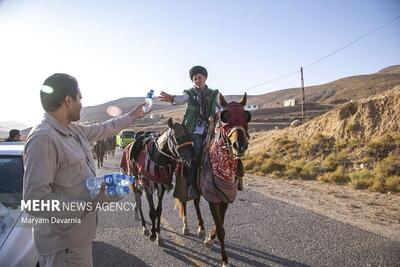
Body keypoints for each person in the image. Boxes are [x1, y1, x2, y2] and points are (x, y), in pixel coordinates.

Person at [23, 73, 146, 267]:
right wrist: (94, 200)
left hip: (77, 239)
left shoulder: (74, 130)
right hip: (63, 248)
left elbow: (106, 128)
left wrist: (133, 116)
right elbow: (36, 201)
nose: (82, 102)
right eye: (80, 97)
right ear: (68, 100)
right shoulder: (43, 138)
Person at [160, 66, 220, 199]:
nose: (198, 80)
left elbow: (222, 107)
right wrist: (172, 99)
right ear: (193, 81)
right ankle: (193, 185)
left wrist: (216, 115)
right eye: (195, 79)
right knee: (196, 151)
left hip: (211, 127)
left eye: (200, 77)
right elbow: (181, 99)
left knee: (225, 146)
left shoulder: (214, 93)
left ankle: (231, 178)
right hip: (195, 129)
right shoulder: (190, 93)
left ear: (205, 78)